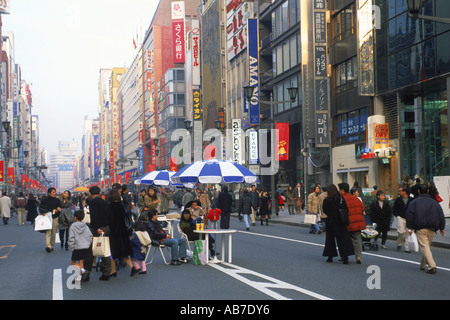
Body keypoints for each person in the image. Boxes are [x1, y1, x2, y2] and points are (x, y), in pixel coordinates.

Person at [406, 184, 446, 274]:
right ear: (428, 191)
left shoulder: (415, 202)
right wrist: (442, 228)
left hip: (420, 227)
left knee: (424, 246)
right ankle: (423, 264)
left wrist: (410, 227)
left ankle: (432, 266)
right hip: (432, 228)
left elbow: (410, 215)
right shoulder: (434, 203)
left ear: (419, 191)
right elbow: (441, 216)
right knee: (426, 246)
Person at [82, 186, 112, 282]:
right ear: (99, 193)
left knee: (90, 251)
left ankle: (87, 273)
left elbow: (94, 217)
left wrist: (97, 228)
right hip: (106, 227)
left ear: (90, 194)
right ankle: (106, 273)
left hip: (97, 229)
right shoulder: (105, 202)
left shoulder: (92, 203)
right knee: (105, 250)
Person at [108, 188, 140, 277]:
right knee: (123, 252)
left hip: (114, 232)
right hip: (123, 231)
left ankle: (113, 271)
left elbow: (110, 220)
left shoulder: (110, 206)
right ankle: (131, 267)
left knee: (112, 252)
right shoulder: (121, 205)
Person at [322, 184, 354, 264]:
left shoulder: (327, 200)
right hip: (340, 221)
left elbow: (325, 210)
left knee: (330, 240)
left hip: (330, 221)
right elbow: (345, 209)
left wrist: (331, 214)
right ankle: (345, 257)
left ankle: (330, 257)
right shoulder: (340, 199)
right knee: (342, 239)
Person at [338, 182, 366, 264]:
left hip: (347, 223)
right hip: (357, 222)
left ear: (343, 190)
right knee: (357, 240)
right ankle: (358, 256)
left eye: (339, 189)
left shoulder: (342, 199)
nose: (339, 191)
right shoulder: (356, 199)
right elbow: (362, 209)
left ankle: (344, 256)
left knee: (344, 240)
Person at [67, 210, 93, 283]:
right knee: (81, 262)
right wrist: (87, 244)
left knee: (73, 262)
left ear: (75, 218)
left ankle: (83, 271)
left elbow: (71, 238)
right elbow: (90, 236)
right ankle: (79, 278)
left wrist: (72, 246)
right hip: (85, 247)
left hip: (77, 247)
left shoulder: (73, 226)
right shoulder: (85, 226)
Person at [39, 188, 62, 252]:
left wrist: (58, 209)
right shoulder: (44, 200)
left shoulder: (57, 200)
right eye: (53, 192)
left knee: (54, 232)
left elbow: (60, 207)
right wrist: (42, 212)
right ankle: (48, 245)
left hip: (55, 217)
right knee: (48, 232)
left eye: (55, 192)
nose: (54, 193)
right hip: (47, 218)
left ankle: (52, 245)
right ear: (49, 193)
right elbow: (41, 207)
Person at [392, 185, 414, 252]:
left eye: (400, 191)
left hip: (409, 218)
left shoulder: (411, 199)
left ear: (404, 192)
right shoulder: (398, 200)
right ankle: (399, 243)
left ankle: (407, 248)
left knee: (408, 233)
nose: (399, 192)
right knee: (401, 232)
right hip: (401, 217)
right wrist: (397, 216)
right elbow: (394, 209)